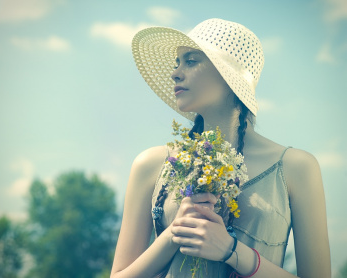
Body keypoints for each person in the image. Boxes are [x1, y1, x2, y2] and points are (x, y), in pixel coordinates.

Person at [110, 18, 331, 278]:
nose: (175, 72)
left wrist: (231, 251)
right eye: (177, 63)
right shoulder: (151, 164)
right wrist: (174, 233)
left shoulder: (296, 167)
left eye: (191, 61)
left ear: (230, 76)